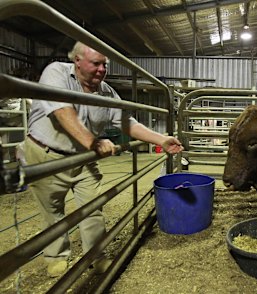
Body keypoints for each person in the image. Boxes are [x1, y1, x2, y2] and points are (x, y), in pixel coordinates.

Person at [23, 41, 183, 277]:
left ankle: (96, 255)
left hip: (83, 158)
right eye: (95, 63)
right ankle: (56, 256)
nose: (101, 69)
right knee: (52, 209)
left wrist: (160, 139)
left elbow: (126, 122)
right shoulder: (56, 73)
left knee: (93, 207)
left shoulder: (107, 92)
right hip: (47, 155)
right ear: (77, 60)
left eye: (104, 65)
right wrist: (94, 142)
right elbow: (62, 112)